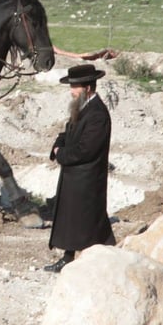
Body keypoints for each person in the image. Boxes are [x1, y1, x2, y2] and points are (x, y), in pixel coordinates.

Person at [44, 63, 115, 272]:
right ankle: (70, 256)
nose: (72, 91)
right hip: (76, 175)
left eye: (75, 86)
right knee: (76, 220)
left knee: (88, 221)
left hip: (88, 176)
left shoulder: (97, 114)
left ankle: (100, 258)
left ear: (88, 88)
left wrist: (62, 154)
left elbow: (87, 150)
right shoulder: (83, 107)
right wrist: (57, 146)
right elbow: (67, 132)